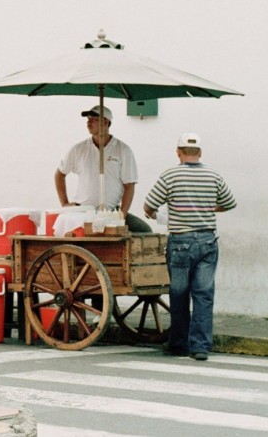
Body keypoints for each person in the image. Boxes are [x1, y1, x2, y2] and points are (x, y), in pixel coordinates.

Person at [143, 132, 236, 361]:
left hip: (180, 243)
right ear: (200, 153)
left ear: (178, 152)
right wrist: (204, 209)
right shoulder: (213, 175)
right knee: (204, 294)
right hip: (207, 241)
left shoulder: (170, 175)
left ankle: (179, 344)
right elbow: (229, 203)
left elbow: (148, 205)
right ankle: (200, 347)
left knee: (179, 293)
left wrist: (157, 213)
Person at [54, 104, 151, 232]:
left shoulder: (123, 150)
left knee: (144, 230)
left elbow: (129, 186)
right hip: (83, 212)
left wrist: (122, 215)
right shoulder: (78, 149)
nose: (89, 122)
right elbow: (59, 174)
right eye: (88, 119)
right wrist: (65, 204)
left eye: (93, 119)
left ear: (106, 122)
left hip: (111, 213)